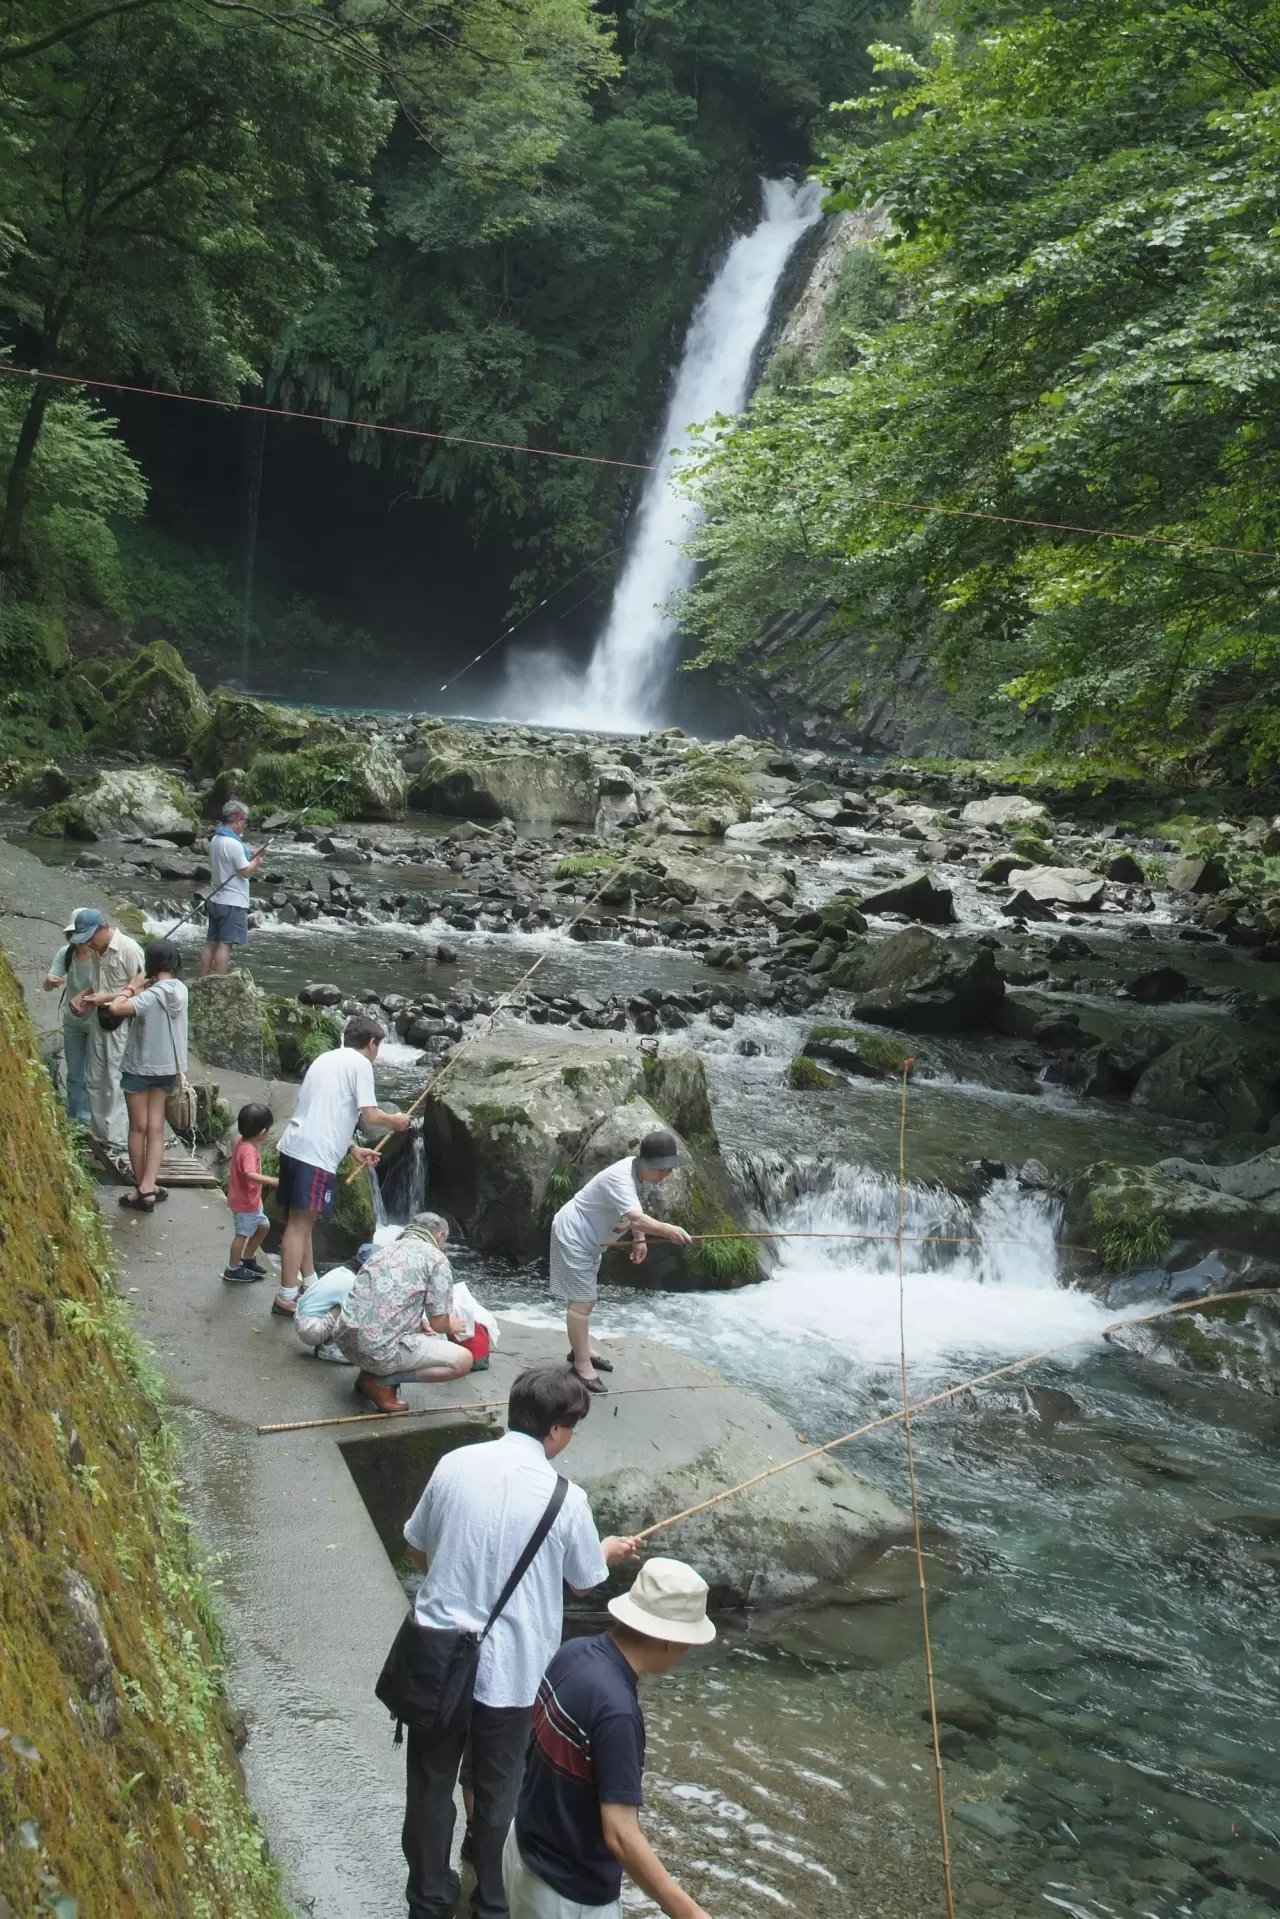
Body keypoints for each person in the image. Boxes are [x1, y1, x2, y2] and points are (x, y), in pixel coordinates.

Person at [401, 1366, 639, 1919]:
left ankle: (429, 1899)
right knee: (499, 1791)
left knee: (431, 1785)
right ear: (556, 1429)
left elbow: (417, 1547)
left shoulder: (454, 1464)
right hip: (509, 1677)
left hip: (437, 1659)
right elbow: (584, 1579)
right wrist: (605, 1549)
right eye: (572, 1426)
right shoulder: (566, 1500)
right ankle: (491, 1901)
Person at [505, 1558, 715, 1919]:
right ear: (667, 1639)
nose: (688, 1651)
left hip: (522, 1851)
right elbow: (620, 1833)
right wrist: (690, 1912)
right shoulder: (618, 1712)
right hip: (570, 1894)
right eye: (687, 1641)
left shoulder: (573, 1652)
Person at [270, 1013, 412, 1318]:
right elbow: (371, 1116)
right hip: (315, 1156)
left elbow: (323, 1110)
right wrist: (396, 1121)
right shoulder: (360, 1064)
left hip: (295, 1145)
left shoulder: (327, 1059)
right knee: (298, 1226)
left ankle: (310, 1284)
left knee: (302, 1221)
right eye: (378, 1045)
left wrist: (352, 1148)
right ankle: (285, 1296)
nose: (377, 1053)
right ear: (371, 1043)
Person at [550, 1131, 693, 1394]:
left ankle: (581, 1349)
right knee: (581, 1303)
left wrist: (640, 1240)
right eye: (664, 1169)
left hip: (591, 1238)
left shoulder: (637, 1173)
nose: (667, 1175)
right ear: (648, 1164)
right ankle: (581, 1366)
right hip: (574, 1235)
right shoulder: (620, 1178)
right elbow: (637, 1217)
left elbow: (631, 1212)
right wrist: (667, 1230)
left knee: (586, 1299)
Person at [334, 1210, 473, 1412]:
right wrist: (453, 1324)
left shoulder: (382, 1251)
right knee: (463, 1360)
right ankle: (380, 1382)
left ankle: (369, 1373)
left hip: (345, 1343)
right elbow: (438, 1323)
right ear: (440, 1236)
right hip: (377, 1351)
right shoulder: (436, 1259)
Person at [98, 937, 188, 1212]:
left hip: (139, 1068)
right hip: (168, 1068)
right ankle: (150, 1184)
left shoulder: (149, 995)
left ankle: (143, 1189)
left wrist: (131, 987)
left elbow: (116, 1009)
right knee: (157, 1128)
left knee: (138, 1127)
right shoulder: (181, 990)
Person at [66, 907, 145, 1170]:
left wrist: (106, 998)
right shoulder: (98, 952)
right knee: (95, 1077)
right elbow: (95, 984)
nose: (88, 944)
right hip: (98, 1020)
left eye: (90, 938)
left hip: (121, 1023)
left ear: (103, 928)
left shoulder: (129, 949)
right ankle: (99, 1135)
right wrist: (84, 997)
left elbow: (141, 991)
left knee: (114, 1079)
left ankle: (116, 1140)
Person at [42, 909, 98, 1125]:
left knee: (94, 1076)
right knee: (75, 1074)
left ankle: (89, 1122)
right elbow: (48, 983)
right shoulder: (66, 953)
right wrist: (50, 981)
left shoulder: (99, 955)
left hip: (96, 1023)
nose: (81, 943)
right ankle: (74, 1120)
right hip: (73, 1022)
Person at [200, 798, 265, 977]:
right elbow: (245, 872)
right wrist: (257, 860)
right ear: (237, 819)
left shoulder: (216, 839)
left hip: (215, 899)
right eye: (244, 821)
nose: (245, 825)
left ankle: (202, 979)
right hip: (232, 902)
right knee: (225, 944)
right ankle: (218, 982)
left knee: (211, 942)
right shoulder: (234, 844)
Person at [224, 1102, 278, 1283]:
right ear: (262, 1132)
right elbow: (249, 1174)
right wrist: (273, 1181)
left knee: (264, 1226)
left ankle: (247, 1258)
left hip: (250, 1200)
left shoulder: (241, 1140)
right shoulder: (248, 1150)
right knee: (242, 1234)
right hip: (245, 1202)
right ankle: (232, 1269)